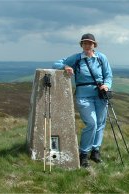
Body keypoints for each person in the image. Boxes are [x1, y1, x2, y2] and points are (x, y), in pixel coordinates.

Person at [53, 33, 113, 167]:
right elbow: (55, 63)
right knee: (92, 123)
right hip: (84, 96)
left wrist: (107, 86)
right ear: (81, 45)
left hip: (100, 94)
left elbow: (108, 75)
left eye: (90, 43)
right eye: (84, 43)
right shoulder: (76, 58)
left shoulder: (101, 58)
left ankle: (95, 151)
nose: (87, 45)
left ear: (94, 45)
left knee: (100, 123)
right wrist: (66, 67)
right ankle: (83, 153)